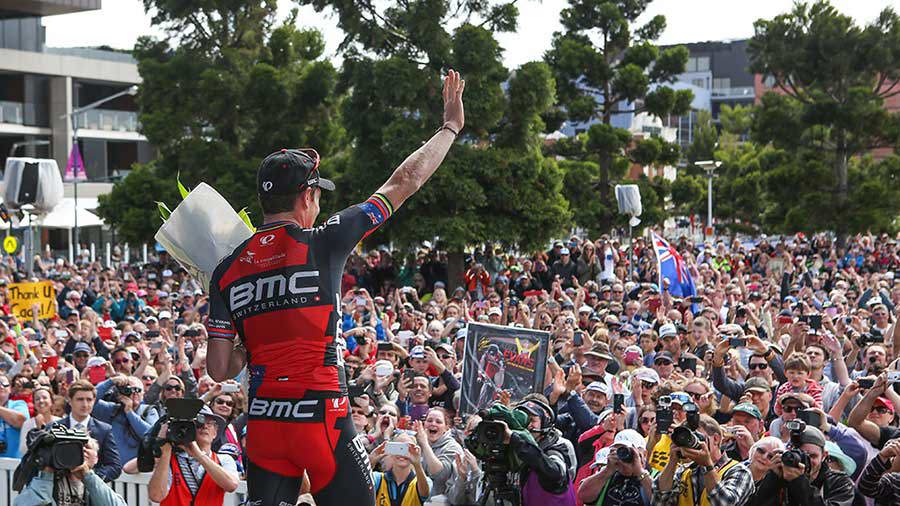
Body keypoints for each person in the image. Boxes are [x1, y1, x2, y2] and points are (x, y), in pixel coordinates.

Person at [205, 69, 466, 506]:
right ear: (307, 197)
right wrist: (450, 128)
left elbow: (218, 369)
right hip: (322, 416)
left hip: (265, 425)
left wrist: (257, 340)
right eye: (318, 195)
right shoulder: (324, 239)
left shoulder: (226, 269)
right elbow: (403, 183)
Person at [147, 405, 241, 505]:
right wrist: (164, 450)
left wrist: (199, 456)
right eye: (198, 423)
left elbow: (231, 485)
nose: (204, 426)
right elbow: (156, 496)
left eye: (210, 424)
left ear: (215, 432)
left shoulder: (224, 459)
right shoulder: (171, 458)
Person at [653, 414, 754, 506]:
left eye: (697, 437)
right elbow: (659, 502)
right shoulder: (683, 471)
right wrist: (672, 461)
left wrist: (707, 466)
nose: (691, 442)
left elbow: (724, 503)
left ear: (716, 439)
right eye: (689, 438)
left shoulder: (740, 471)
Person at [749, 426, 858, 506]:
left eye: (812, 456)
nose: (807, 461)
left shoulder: (839, 482)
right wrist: (773, 479)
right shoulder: (780, 473)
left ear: (824, 455)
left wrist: (799, 482)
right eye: (801, 455)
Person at [14, 438, 128, 506]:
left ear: (96, 458)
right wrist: (47, 472)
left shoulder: (96, 484)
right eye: (75, 448)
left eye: (86, 446)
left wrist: (88, 475)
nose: (81, 451)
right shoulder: (46, 481)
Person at [52, 380, 121, 483]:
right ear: (70, 401)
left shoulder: (104, 430)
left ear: (94, 401)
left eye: (89, 400)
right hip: (59, 487)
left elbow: (115, 466)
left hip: (91, 491)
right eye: (80, 399)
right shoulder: (55, 427)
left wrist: (89, 476)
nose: (85, 404)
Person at [577, 429, 652, 505]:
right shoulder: (607, 475)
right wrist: (607, 470)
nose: (625, 456)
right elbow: (583, 496)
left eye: (631, 452)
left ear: (644, 454)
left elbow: (660, 500)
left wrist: (640, 472)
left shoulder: (654, 476)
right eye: (620, 451)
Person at [369, 432, 431, 506]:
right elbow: (361, 487)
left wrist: (417, 464)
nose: (402, 454)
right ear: (391, 451)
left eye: (407, 449)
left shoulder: (422, 480)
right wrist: (370, 463)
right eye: (398, 448)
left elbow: (424, 493)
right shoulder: (378, 478)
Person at [0, 372, 30, 458]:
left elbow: (20, 422)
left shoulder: (18, 404)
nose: (1, 386)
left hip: (15, 465)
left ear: (10, 389)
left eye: (5, 384)